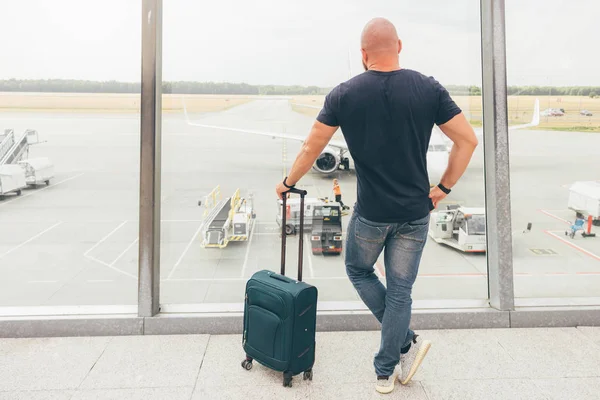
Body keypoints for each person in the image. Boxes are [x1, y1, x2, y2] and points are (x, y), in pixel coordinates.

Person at [275, 17, 478, 394]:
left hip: (371, 214)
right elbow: (467, 141)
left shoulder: (344, 94)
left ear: (363, 54)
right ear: (399, 46)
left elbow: (311, 148)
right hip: (416, 213)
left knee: (358, 269)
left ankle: (405, 342)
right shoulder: (428, 88)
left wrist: (288, 183)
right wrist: (444, 188)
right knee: (401, 290)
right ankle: (386, 370)